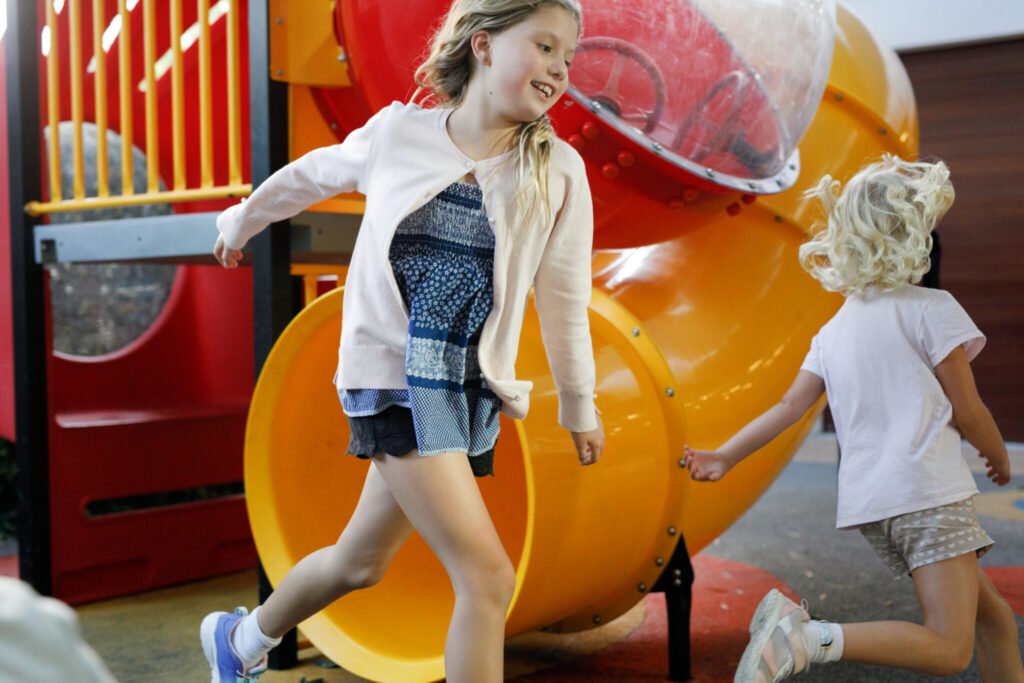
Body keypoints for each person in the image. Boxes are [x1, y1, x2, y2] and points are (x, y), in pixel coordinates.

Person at [200, 1, 603, 681]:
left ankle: (240, 639)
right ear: (484, 45)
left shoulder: (557, 170)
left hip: (462, 389)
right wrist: (240, 221)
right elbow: (309, 175)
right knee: (487, 577)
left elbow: (565, 299)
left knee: (361, 561)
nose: (560, 68)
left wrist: (580, 403)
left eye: (568, 56)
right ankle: (242, 640)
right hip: (389, 376)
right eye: (544, 46)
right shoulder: (398, 134)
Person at [684, 156, 1023, 683]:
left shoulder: (834, 329)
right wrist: (1000, 457)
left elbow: (788, 408)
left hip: (879, 507)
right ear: (914, 235)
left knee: (994, 618)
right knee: (949, 646)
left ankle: (807, 636)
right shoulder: (931, 308)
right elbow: (969, 410)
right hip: (929, 496)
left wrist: (723, 455)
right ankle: (809, 637)